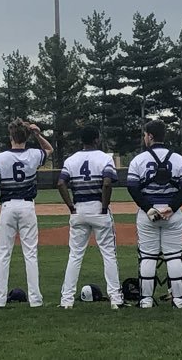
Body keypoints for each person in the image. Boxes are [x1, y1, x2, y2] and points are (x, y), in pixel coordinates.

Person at [125, 120, 182, 308]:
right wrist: (172, 207)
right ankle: (179, 300)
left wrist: (148, 208)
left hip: (148, 213)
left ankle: (146, 300)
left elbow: (132, 187)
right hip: (172, 214)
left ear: (150, 136)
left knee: (147, 256)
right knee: (174, 256)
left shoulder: (138, 160)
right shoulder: (179, 159)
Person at [0, 120, 54, 308]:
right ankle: (35, 299)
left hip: (8, 207)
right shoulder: (34, 154)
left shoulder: (0, 158)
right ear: (26, 136)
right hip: (27, 207)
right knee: (30, 254)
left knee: (3, 254)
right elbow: (49, 150)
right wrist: (38, 134)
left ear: (11, 137)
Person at [56, 126, 123, 309]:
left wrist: (70, 206)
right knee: (109, 254)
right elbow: (108, 183)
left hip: (79, 208)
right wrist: (104, 205)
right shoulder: (104, 158)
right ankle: (116, 299)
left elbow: (61, 182)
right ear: (97, 139)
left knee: (75, 255)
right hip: (97, 207)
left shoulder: (71, 160)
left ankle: (66, 300)